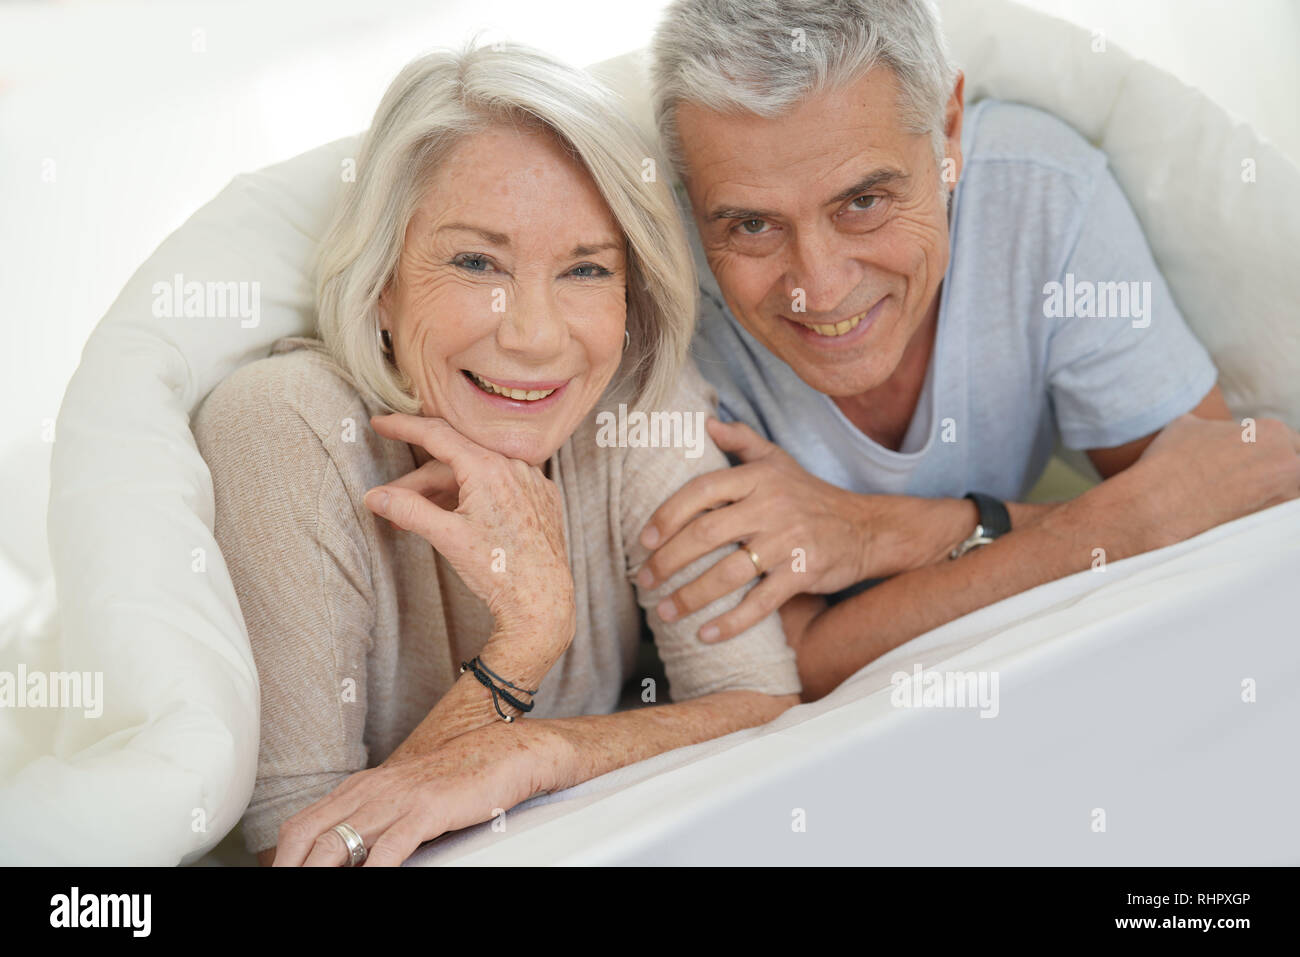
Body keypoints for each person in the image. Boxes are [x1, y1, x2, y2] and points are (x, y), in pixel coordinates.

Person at [192, 43, 799, 867]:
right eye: (477, 262)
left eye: (586, 269)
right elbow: (299, 858)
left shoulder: (630, 398)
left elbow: (758, 699)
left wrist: (540, 751)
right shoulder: (286, 428)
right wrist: (523, 645)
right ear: (382, 284)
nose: (535, 335)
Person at [639, 0, 1300, 699]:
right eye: (751, 225)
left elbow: (1233, 492)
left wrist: (880, 531)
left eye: (863, 202)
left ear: (948, 132)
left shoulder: (1041, 195)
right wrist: (1125, 521)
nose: (822, 289)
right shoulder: (664, 303)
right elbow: (792, 662)